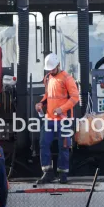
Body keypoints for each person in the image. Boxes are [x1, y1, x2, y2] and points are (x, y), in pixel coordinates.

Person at [35, 53, 80, 184]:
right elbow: (48, 95)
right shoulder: (48, 78)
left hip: (64, 119)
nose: (51, 71)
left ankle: (63, 174)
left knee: (64, 147)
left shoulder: (67, 78)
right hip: (49, 119)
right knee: (44, 144)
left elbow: (75, 97)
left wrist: (62, 109)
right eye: (49, 69)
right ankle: (47, 173)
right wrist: (41, 104)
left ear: (58, 65)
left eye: (53, 69)